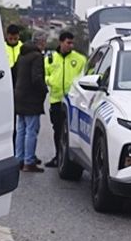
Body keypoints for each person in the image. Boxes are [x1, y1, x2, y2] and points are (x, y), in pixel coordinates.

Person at [44, 31, 88, 168]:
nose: (71, 45)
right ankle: (58, 156)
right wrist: (50, 80)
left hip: (73, 101)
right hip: (56, 99)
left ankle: (70, 158)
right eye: (68, 43)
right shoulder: (51, 58)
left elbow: (86, 75)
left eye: (72, 43)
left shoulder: (80, 59)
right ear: (61, 42)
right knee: (57, 129)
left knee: (71, 131)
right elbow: (45, 74)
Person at [13, 33, 47, 172]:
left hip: (20, 96)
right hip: (31, 98)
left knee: (21, 130)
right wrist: (44, 90)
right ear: (41, 42)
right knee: (31, 130)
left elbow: (14, 72)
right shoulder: (37, 57)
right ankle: (29, 161)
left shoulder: (22, 55)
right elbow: (36, 78)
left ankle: (19, 159)